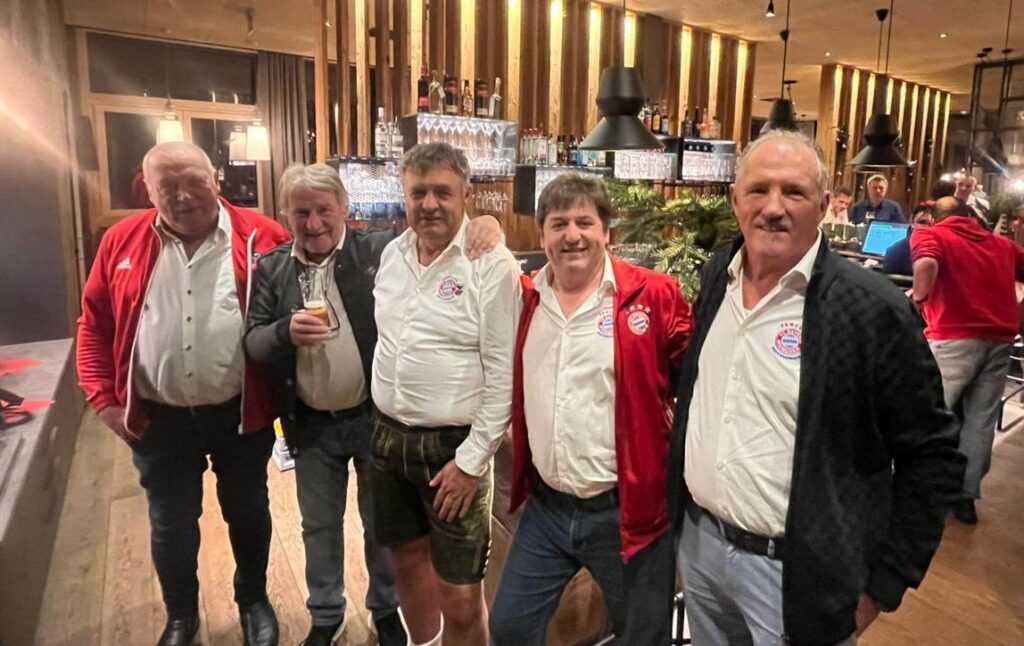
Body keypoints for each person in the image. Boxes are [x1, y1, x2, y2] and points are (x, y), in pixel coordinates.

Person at [667, 130, 965, 645]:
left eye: (794, 192)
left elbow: (933, 454)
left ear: (825, 205)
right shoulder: (718, 276)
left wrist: (884, 584)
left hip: (796, 576)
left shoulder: (871, 310)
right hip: (701, 549)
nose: (773, 208)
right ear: (736, 199)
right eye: (758, 190)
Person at [243, 163, 502, 645]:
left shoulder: (379, 250)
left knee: (381, 528)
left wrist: (488, 223)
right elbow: (253, 342)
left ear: (345, 208)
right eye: (301, 212)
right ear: (285, 213)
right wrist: (283, 331)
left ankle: (385, 610)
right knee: (318, 525)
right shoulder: (273, 267)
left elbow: (440, 231)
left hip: (371, 419)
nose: (314, 223)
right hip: (310, 423)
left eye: (324, 210)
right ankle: (326, 614)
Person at [77, 142, 291, 646]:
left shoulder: (264, 236)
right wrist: (104, 402)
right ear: (147, 190)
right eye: (166, 185)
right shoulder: (120, 241)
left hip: (242, 413)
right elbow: (93, 325)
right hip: (160, 418)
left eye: (192, 181)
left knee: (248, 512)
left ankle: (253, 600)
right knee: (171, 522)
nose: (182, 195)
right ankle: (181, 616)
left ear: (215, 179)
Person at [489, 174, 693, 645]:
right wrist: (485, 224)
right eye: (558, 223)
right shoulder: (524, 298)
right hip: (547, 509)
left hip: (628, 515)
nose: (572, 235)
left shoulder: (653, 295)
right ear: (542, 233)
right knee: (510, 627)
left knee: (643, 636)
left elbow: (700, 377)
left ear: (607, 231)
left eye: (584, 222)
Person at [369, 143, 522, 646]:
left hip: (454, 450)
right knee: (406, 562)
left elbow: (503, 376)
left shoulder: (491, 264)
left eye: (443, 192)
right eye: (418, 193)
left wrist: (473, 462)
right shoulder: (392, 254)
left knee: (460, 596)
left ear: (466, 195)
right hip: (387, 441)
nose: (429, 204)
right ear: (404, 196)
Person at [911, 196, 1024, 525]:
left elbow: (926, 265)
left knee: (930, 417)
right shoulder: (1001, 244)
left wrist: (918, 299)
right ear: (970, 216)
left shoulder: (931, 233)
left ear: (935, 217)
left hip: (953, 336)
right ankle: (965, 498)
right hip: (1000, 337)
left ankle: (919, 492)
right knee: (980, 422)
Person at [882, 201, 934, 276]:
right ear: (911, 222)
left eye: (932, 224)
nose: (927, 227)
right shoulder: (894, 252)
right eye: (922, 222)